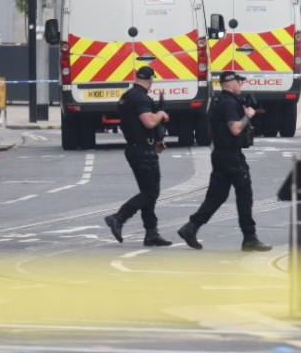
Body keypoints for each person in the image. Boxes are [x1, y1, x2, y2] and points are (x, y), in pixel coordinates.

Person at [178, 71, 272, 252]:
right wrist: (248, 115)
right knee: (244, 194)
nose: (241, 84)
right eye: (238, 81)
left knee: (217, 196)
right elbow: (236, 129)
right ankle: (249, 237)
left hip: (221, 154)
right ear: (229, 84)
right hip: (231, 156)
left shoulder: (224, 101)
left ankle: (190, 227)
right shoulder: (228, 103)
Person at [104, 66, 173, 247]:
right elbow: (149, 121)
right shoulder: (140, 98)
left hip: (138, 147)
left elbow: (137, 126)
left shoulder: (128, 96)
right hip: (142, 152)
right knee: (152, 192)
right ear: (150, 80)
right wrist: (161, 114)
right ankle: (119, 217)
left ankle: (151, 233)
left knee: (147, 192)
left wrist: (156, 140)